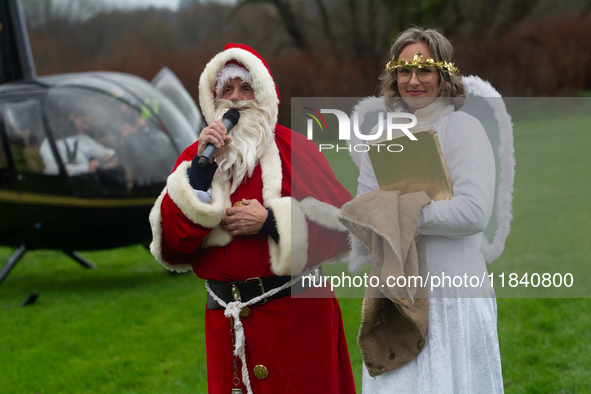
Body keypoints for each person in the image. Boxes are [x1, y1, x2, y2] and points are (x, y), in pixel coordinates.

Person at [149, 43, 356, 393]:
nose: (236, 99)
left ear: (263, 94)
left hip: (297, 322)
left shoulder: (297, 151)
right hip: (227, 327)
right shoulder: (195, 158)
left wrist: (272, 222)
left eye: (246, 88)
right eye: (226, 90)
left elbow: (345, 228)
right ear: (212, 100)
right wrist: (199, 175)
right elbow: (171, 246)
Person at [351, 28, 505, 393]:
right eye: (404, 71)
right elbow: (362, 216)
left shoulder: (464, 129)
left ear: (444, 75)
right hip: (399, 295)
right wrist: (391, 215)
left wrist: (405, 217)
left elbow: (473, 212)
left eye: (424, 69)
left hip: (455, 298)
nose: (413, 80)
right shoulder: (383, 137)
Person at [40, 105, 117, 176]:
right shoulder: (51, 141)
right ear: (72, 116)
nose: (85, 127)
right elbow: (54, 170)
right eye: (83, 122)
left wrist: (108, 156)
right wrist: (86, 167)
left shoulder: (83, 138)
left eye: (87, 123)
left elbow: (101, 151)